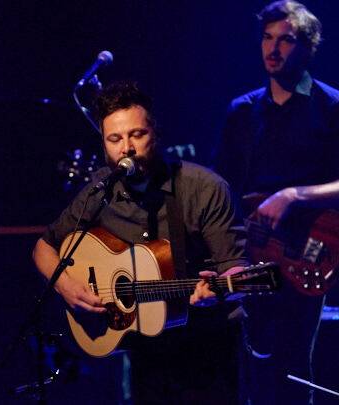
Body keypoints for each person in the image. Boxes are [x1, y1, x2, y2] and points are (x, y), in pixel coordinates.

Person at [32, 81, 248, 403]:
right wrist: (65, 285)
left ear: (155, 135)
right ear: (104, 145)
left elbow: (237, 272)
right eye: (115, 139)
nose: (126, 148)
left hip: (207, 349)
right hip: (146, 352)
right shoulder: (100, 192)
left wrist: (217, 289)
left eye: (137, 135)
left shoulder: (205, 189)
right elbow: (44, 248)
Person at [210, 1, 339, 404]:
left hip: (304, 255)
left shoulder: (334, 107)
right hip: (250, 255)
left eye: (286, 39)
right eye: (267, 38)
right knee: (246, 361)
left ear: (308, 47)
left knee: (294, 367)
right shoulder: (242, 112)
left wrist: (292, 196)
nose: (273, 48)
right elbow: (221, 190)